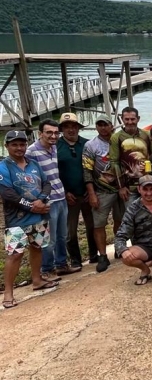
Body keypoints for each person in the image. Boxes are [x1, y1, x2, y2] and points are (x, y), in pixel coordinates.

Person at [1, 130, 58, 308]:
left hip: (38, 216)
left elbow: (47, 183)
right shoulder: (4, 166)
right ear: (7, 146)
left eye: (22, 144)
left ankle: (37, 279)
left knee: (37, 247)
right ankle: (8, 292)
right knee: (15, 255)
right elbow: (7, 193)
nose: (19, 148)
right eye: (14, 144)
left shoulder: (33, 163)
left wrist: (42, 200)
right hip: (16, 220)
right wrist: (31, 205)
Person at [27, 119, 80, 278]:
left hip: (60, 196)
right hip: (46, 201)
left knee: (62, 235)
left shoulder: (54, 148)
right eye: (49, 132)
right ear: (40, 133)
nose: (53, 136)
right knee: (48, 239)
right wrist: (38, 199)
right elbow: (28, 178)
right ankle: (47, 269)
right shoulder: (32, 152)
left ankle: (61, 264)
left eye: (56, 133)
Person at [57, 113, 97, 269]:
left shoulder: (87, 144)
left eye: (74, 126)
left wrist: (92, 189)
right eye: (67, 127)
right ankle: (75, 259)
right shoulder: (56, 147)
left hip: (87, 192)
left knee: (92, 226)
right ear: (62, 129)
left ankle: (94, 255)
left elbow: (94, 168)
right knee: (70, 231)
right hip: (68, 195)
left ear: (78, 128)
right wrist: (64, 192)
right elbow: (53, 173)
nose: (71, 130)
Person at [83, 113, 122, 272]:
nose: (103, 128)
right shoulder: (91, 146)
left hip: (120, 188)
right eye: (99, 125)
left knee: (121, 220)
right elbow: (87, 170)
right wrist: (91, 193)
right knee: (99, 224)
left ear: (111, 125)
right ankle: (103, 255)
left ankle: (119, 248)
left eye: (105, 124)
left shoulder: (119, 141)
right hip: (101, 190)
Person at [110, 106, 152, 215]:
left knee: (151, 213)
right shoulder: (116, 137)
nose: (130, 122)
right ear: (122, 119)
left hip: (148, 183)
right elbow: (114, 162)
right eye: (127, 119)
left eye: (133, 119)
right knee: (132, 216)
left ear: (138, 119)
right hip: (128, 187)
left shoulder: (147, 135)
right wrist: (121, 187)